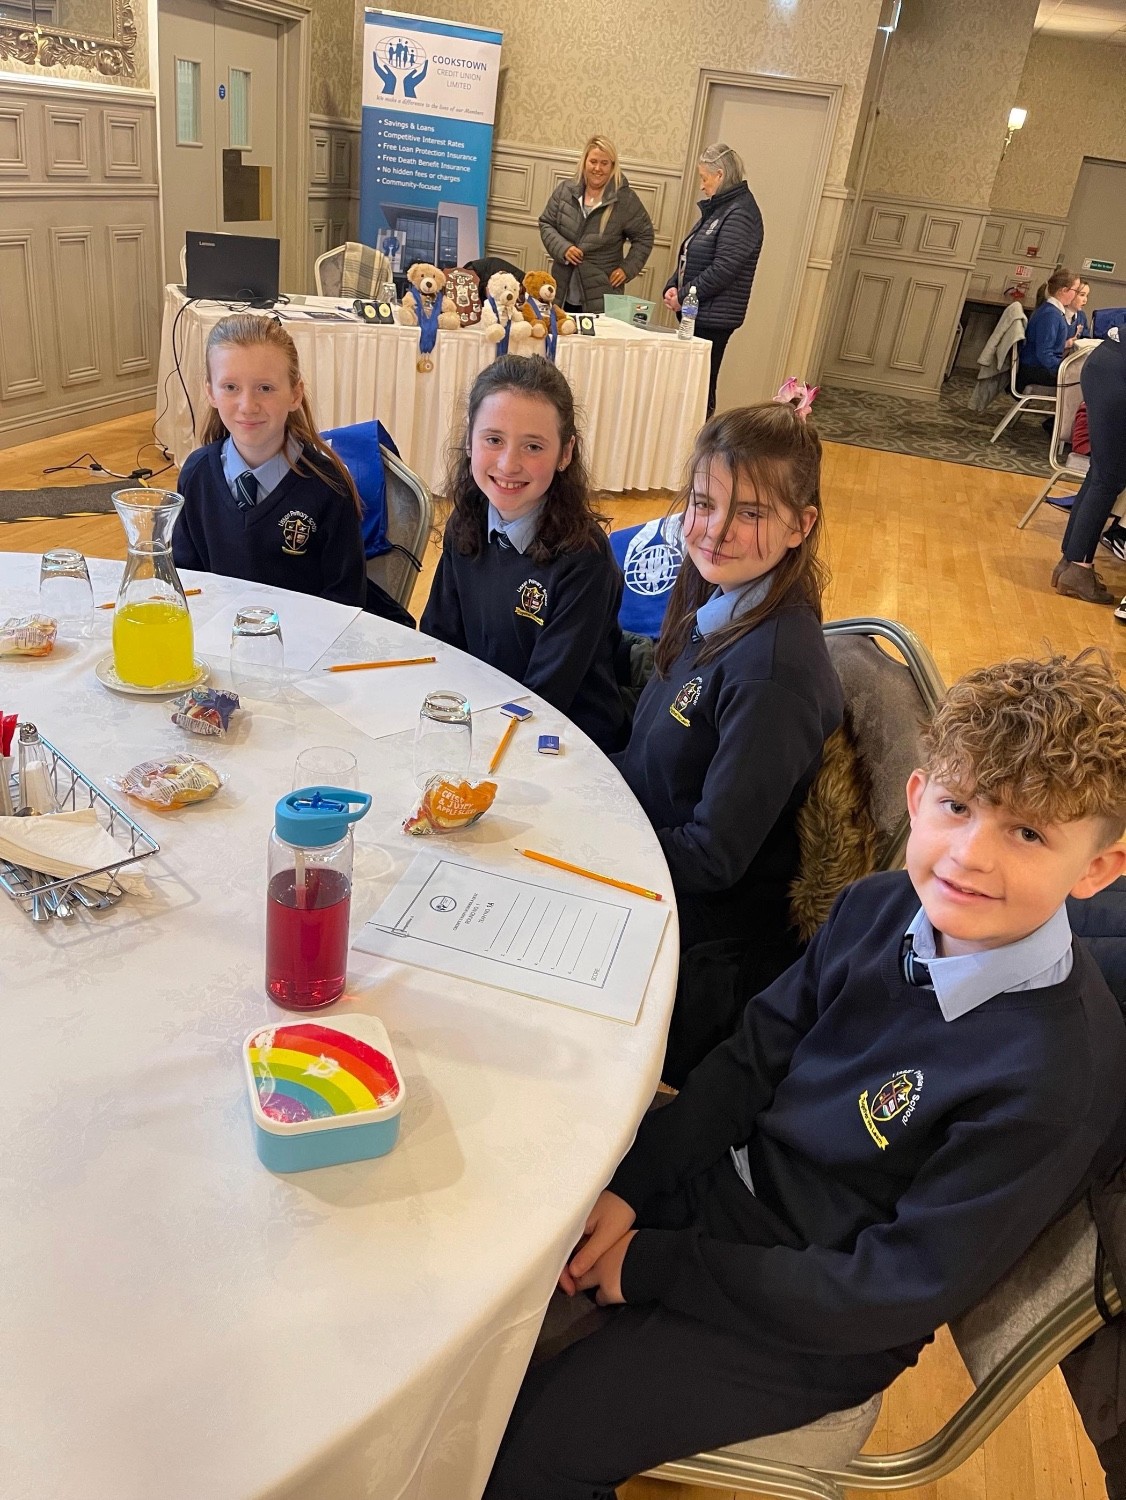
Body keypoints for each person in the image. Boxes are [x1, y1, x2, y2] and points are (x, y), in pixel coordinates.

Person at [483, 649, 1126, 1500]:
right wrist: (637, 1185)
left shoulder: (1056, 1076)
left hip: (819, 1317)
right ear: (917, 797)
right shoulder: (876, 906)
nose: (970, 856)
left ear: (1097, 870)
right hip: (732, 1190)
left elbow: (891, 1291)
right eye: (959, 806)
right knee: (488, 1256)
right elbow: (754, 1055)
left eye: (1029, 833)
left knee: (530, 1445)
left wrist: (656, 1265)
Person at [612, 388, 841, 988]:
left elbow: (713, 857)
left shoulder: (773, 676)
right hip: (645, 854)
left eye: (751, 514)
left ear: (801, 525)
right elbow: (650, 757)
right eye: (704, 503)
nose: (716, 531)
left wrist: (597, 841)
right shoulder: (717, 601)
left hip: (697, 939)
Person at [421, 356, 627, 752]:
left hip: (564, 741)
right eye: (493, 440)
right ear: (470, 439)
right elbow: (439, 642)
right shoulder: (466, 520)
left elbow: (545, 698)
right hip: (480, 720)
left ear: (565, 453)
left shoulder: (585, 559)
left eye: (533, 446)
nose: (508, 464)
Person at [173, 314, 366, 609]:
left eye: (265, 388)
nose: (247, 406)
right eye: (230, 387)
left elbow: (345, 599)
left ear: (295, 394)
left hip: (304, 635)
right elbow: (185, 583)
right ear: (210, 392)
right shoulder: (196, 474)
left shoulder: (329, 488)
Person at [664, 143, 764, 418]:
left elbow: (723, 268)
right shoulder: (721, 209)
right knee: (692, 384)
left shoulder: (740, 213)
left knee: (701, 386)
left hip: (713, 318)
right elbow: (692, 254)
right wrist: (673, 285)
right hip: (699, 313)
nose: (701, 185)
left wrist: (683, 295)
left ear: (719, 175)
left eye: (704, 178)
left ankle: (700, 437)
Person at [538, 136, 655, 315]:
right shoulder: (565, 190)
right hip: (562, 289)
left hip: (602, 294)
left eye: (604, 163)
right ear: (584, 161)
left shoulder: (625, 199)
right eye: (593, 161)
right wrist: (563, 248)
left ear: (613, 166)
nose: (598, 168)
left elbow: (644, 236)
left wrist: (627, 269)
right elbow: (546, 223)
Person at [1052, 328, 1126, 605]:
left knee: (1099, 475)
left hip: (1104, 362)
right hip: (1118, 373)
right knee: (1107, 480)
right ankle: (1079, 569)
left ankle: (1070, 562)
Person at [1017, 266, 1081, 391]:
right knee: (1080, 381)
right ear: (1064, 290)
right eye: (1076, 290)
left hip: (1038, 366)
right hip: (1035, 369)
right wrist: (1062, 370)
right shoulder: (1050, 315)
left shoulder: (1051, 311)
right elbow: (1044, 353)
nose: (1076, 294)